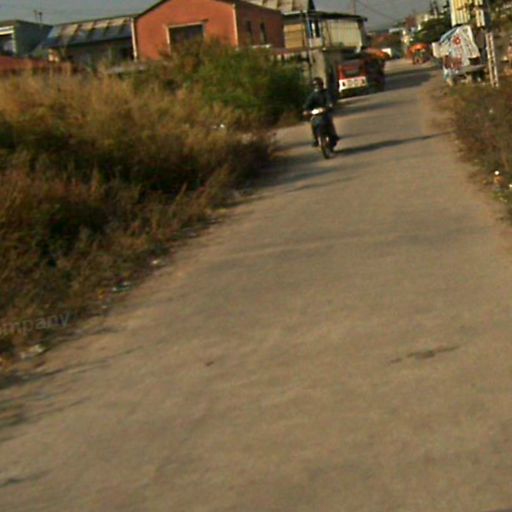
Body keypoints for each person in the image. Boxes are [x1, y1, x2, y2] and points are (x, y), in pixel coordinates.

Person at [303, 77, 340, 147]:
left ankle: (333, 135)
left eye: (319, 84)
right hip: (316, 114)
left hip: (325, 112)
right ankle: (315, 139)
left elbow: (329, 100)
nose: (318, 86)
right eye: (316, 85)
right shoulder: (312, 95)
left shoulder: (326, 92)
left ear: (322, 85)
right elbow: (307, 104)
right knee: (313, 124)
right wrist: (306, 110)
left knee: (329, 121)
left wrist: (329, 105)